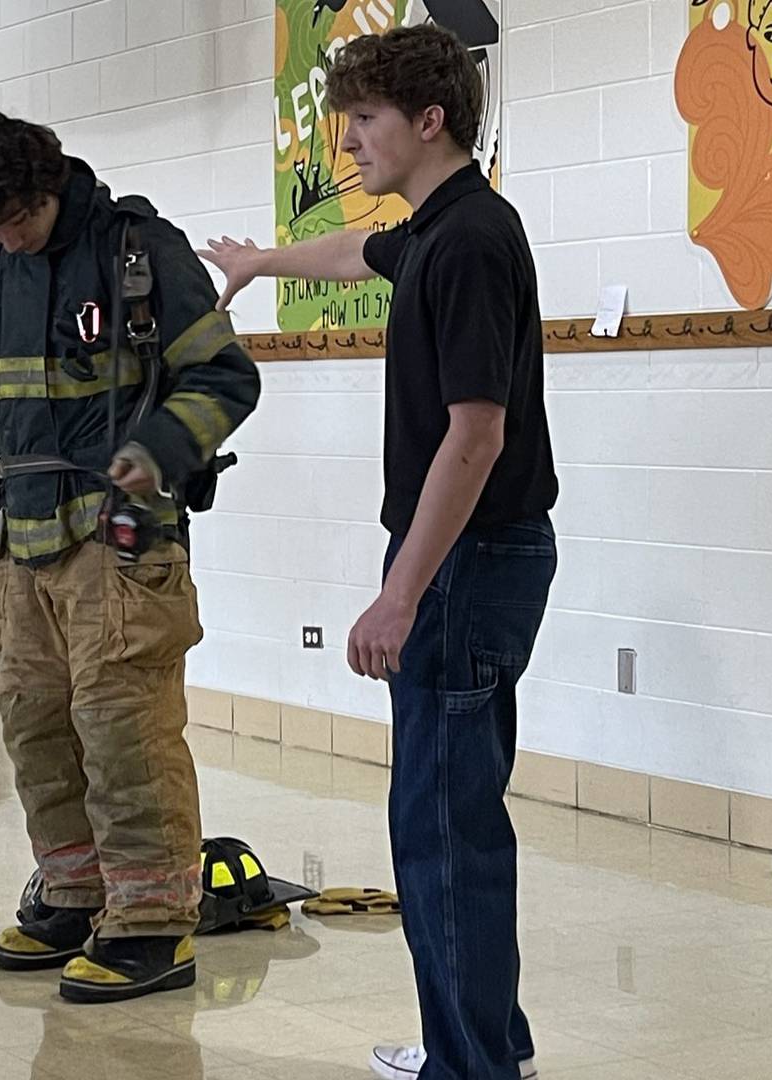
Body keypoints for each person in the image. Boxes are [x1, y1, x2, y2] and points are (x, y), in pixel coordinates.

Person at [200, 25, 557, 1080]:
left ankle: (471, 1067)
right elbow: (356, 250)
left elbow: (477, 432)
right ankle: (489, 1047)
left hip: (466, 564)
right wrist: (263, 261)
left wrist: (401, 592)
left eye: (363, 119)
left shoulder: (473, 241)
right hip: (464, 560)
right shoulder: (439, 226)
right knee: (452, 820)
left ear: (429, 119)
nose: (347, 142)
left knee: (442, 834)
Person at [0, 111, 259, 1003]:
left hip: (120, 545)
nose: (5, 235)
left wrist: (161, 446)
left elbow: (228, 378)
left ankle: (155, 921)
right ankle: (78, 893)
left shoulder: (140, 252)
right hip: (23, 539)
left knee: (123, 730)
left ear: (47, 186)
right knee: (34, 724)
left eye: (15, 217)